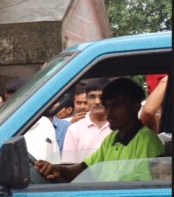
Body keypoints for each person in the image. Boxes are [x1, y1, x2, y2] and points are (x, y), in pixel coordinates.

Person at [35, 78, 164, 183]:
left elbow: (142, 188)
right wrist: (59, 169)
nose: (109, 112)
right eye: (107, 106)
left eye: (116, 106)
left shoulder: (146, 141)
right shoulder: (113, 138)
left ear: (135, 106)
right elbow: (85, 168)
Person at [62, 79, 112, 163]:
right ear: (87, 99)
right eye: (92, 97)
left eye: (102, 97)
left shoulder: (120, 127)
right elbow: (68, 164)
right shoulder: (74, 129)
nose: (97, 102)